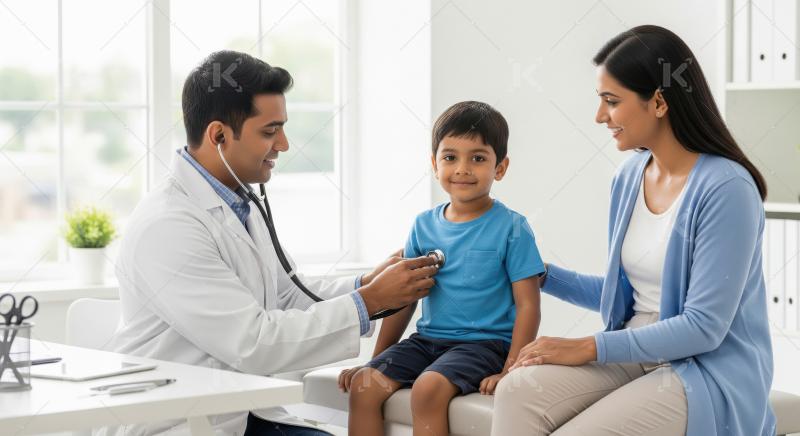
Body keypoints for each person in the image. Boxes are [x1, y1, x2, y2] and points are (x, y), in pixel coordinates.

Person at [107, 50, 438, 436]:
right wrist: (371, 301)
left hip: (241, 413)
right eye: (270, 131)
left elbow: (285, 296)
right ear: (218, 135)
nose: (283, 144)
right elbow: (254, 343)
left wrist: (366, 284)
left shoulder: (239, 202)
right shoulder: (168, 226)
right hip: (175, 423)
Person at [490, 25, 775, 436]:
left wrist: (587, 346)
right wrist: (540, 274)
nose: (600, 116)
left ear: (658, 102)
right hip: (637, 346)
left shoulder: (727, 188)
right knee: (517, 390)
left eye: (612, 101)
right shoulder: (629, 177)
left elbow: (703, 327)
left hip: (707, 367)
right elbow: (623, 294)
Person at [339, 101, 546, 436]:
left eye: (477, 158)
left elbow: (528, 305)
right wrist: (376, 360)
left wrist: (511, 370)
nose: (462, 168)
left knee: (427, 389)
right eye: (450, 157)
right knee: (364, 385)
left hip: (485, 345)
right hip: (428, 341)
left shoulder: (513, 227)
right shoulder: (422, 225)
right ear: (434, 164)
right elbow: (403, 298)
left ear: (501, 167)